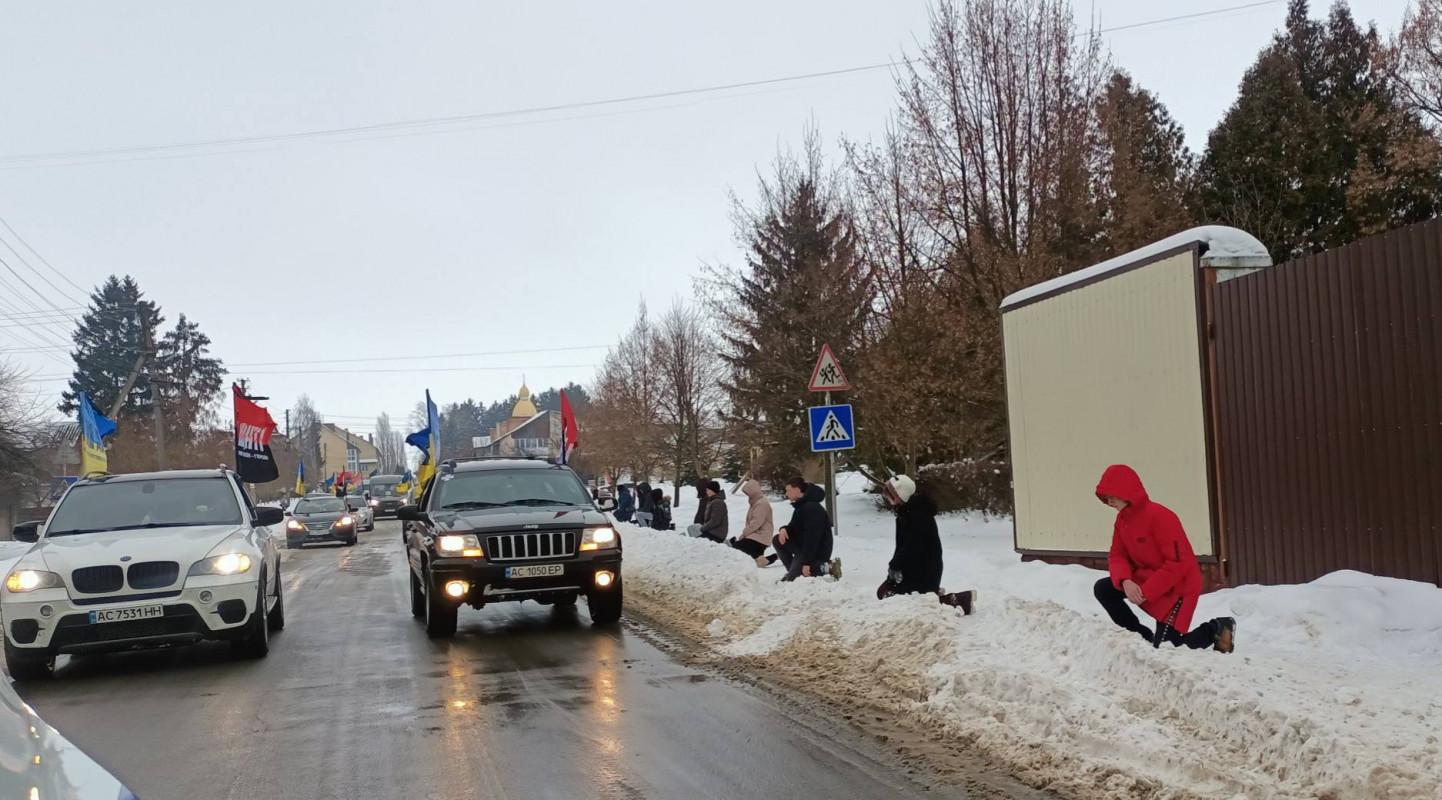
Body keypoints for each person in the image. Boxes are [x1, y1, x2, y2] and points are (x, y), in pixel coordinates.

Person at [1093, 464, 1236, 653]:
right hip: (1146, 579)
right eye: (1105, 497)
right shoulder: (1122, 521)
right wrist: (1125, 580)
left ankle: (1216, 628)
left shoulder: (1161, 517)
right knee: (1104, 589)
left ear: (1126, 492)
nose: (1109, 501)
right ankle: (1141, 636)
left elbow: (1178, 564)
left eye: (1111, 495)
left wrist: (1146, 591)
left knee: (1169, 651)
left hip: (1178, 589)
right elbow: (1117, 555)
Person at [876, 475, 975, 614]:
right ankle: (932, 596)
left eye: (892, 497)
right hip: (909, 568)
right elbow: (901, 546)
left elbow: (913, 546)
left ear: (901, 495)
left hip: (924, 569)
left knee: (900, 599)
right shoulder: (905, 513)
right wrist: (893, 569)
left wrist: (896, 564)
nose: (890, 501)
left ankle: (956, 600)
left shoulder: (918, 515)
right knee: (883, 592)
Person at [773, 477, 841, 581]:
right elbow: (793, 526)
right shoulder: (801, 506)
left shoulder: (811, 508)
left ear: (797, 490)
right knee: (777, 540)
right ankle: (793, 570)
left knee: (794, 579)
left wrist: (806, 563)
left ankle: (826, 567)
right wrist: (784, 529)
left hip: (817, 551)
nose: (786, 494)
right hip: (803, 548)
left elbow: (812, 539)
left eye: (788, 490)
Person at [728, 479, 775, 567]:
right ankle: (761, 559)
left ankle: (761, 558)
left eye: (748, 493)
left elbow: (756, 522)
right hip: (756, 536)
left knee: (736, 550)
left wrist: (745, 533)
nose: (747, 495)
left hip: (760, 537)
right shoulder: (756, 503)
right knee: (750, 560)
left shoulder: (761, 504)